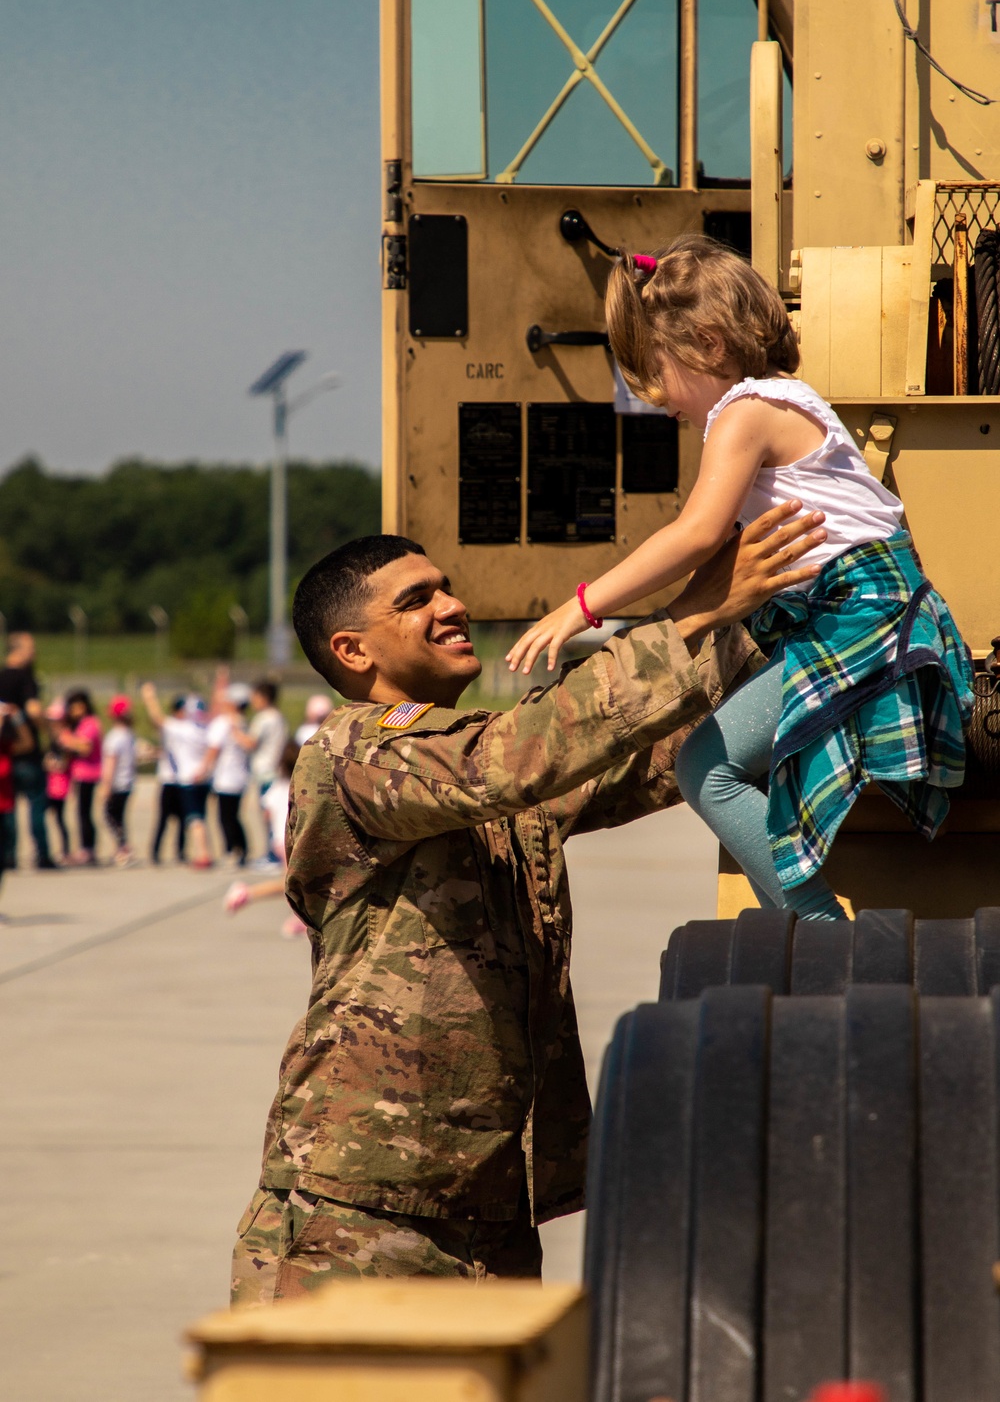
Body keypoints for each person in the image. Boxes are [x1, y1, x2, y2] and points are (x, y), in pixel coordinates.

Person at [230, 508, 826, 1301]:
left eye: (446, 587)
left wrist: (762, 622)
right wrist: (694, 611)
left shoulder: (475, 767)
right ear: (352, 650)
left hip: (486, 1216)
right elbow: (512, 760)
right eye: (415, 600)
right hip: (356, 1224)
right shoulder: (354, 755)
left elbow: (645, 754)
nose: (451, 605)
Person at [507, 237, 973, 924]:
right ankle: (798, 924)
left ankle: (820, 928)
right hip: (868, 608)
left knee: (707, 771)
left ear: (709, 344)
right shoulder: (785, 399)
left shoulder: (744, 412)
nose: (659, 401)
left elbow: (696, 534)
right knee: (716, 763)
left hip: (861, 616)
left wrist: (583, 606)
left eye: (658, 375)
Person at [223, 739, 306, 938]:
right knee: (290, 883)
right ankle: (247, 894)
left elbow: (266, 812)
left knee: (294, 882)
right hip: (292, 841)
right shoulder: (301, 788)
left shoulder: (277, 787)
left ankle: (299, 917)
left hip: (279, 841)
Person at [0, 632, 56, 869]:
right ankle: (42, 853)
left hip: (4, 752)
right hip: (26, 752)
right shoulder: (25, 678)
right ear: (18, 650)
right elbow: (33, 710)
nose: (34, 654)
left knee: (7, 805)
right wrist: (49, 729)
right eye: (31, 648)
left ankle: (8, 855)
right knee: (36, 804)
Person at [140, 685, 212, 868]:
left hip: (185, 779)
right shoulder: (204, 729)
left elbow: (157, 718)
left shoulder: (181, 728)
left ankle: (189, 852)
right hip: (175, 779)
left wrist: (149, 697)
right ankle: (157, 851)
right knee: (169, 819)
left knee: (190, 820)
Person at [202, 682, 252, 867]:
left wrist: (203, 769)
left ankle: (232, 851)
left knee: (225, 817)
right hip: (239, 777)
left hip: (226, 778)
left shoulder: (224, 722)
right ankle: (242, 849)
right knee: (234, 815)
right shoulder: (242, 721)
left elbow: (213, 749)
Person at [58, 690, 103, 865]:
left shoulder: (90, 723)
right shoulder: (77, 725)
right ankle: (86, 847)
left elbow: (85, 748)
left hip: (89, 773)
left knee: (84, 812)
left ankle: (88, 848)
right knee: (81, 812)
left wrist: (67, 740)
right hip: (79, 773)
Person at [247, 681, 288, 864]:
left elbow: (250, 743)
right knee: (277, 814)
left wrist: (234, 729)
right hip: (277, 771)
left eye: (255, 697)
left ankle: (272, 855)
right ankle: (275, 853)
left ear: (263, 697)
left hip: (266, 773)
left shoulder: (263, 718)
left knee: (268, 815)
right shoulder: (279, 717)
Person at [0, 702, 35, 890]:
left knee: (3, 858)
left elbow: (27, 744)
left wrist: (17, 719)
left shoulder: (5, 748)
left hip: (5, 806)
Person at [99, 695, 137, 866]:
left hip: (117, 783)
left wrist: (106, 786)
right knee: (119, 817)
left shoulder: (114, 737)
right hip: (128, 781)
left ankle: (123, 848)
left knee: (111, 816)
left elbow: (110, 763)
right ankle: (122, 847)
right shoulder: (128, 734)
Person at [150, 695, 187, 864]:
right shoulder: (172, 725)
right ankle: (156, 851)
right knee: (163, 819)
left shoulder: (188, 727)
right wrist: (150, 697)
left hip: (183, 780)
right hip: (168, 779)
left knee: (183, 820)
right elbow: (157, 718)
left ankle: (180, 851)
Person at [43, 700, 72, 862]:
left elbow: (65, 762)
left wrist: (53, 765)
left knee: (59, 817)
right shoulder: (52, 737)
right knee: (49, 817)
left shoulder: (65, 737)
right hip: (50, 781)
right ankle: (47, 848)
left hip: (59, 783)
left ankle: (65, 850)